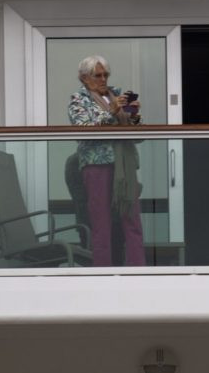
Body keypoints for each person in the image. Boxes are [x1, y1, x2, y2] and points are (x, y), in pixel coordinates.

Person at [68, 55, 145, 267]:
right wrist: (111, 113)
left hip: (125, 165)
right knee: (101, 222)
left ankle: (138, 272)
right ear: (84, 78)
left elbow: (138, 137)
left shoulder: (119, 95)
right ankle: (101, 273)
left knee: (132, 220)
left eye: (105, 75)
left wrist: (135, 116)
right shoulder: (79, 99)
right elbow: (83, 131)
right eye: (97, 75)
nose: (103, 79)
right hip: (96, 165)